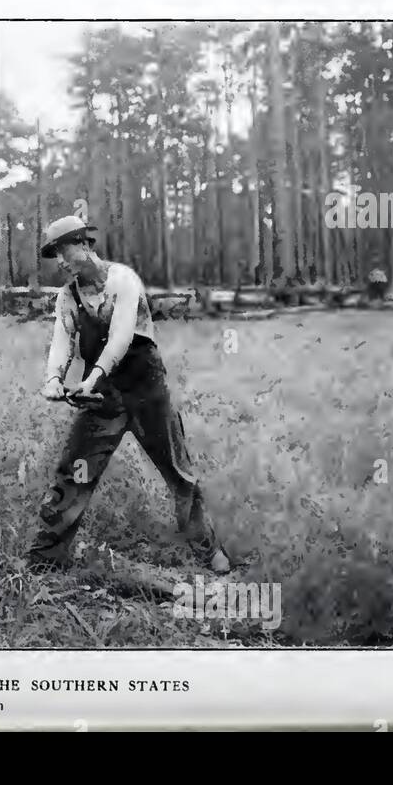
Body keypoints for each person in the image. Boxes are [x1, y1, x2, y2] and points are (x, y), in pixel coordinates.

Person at [27, 214, 232, 574]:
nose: (59, 262)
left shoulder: (123, 280)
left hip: (148, 393)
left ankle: (209, 550)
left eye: (62, 252)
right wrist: (53, 380)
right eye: (55, 255)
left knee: (179, 473)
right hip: (103, 399)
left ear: (84, 245)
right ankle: (45, 558)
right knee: (73, 473)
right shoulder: (67, 297)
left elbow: (121, 336)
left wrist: (90, 378)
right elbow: (62, 340)